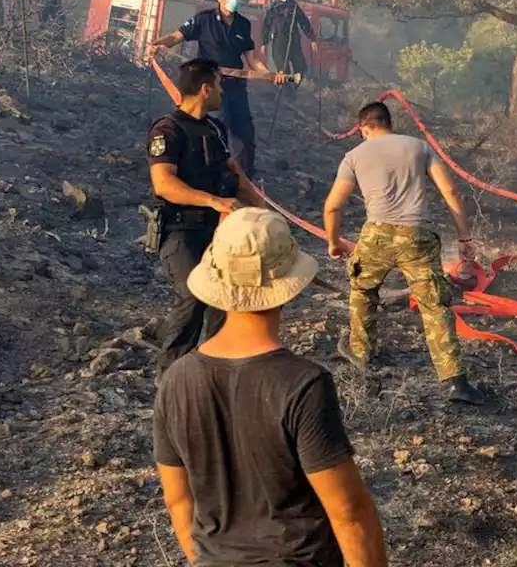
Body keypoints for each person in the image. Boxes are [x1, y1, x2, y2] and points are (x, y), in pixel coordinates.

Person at [154, 208, 389, 566]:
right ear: (287, 287)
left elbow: (178, 500)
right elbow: (348, 512)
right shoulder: (302, 384)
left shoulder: (175, 380)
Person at [322, 101, 485, 405]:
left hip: (377, 236)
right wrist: (464, 237)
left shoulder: (354, 156)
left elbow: (333, 205)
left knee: (362, 292)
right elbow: (449, 191)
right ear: (389, 123)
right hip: (417, 236)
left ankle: (360, 355)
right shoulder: (419, 147)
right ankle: (455, 382)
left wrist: (334, 242)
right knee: (435, 306)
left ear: (362, 128)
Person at [145, 58, 267, 378]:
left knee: (224, 303)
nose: (222, 92)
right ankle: (170, 379)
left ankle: (214, 375)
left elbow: (234, 174)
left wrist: (262, 211)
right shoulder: (167, 129)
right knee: (193, 294)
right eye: (219, 84)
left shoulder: (216, 128)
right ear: (205, 88)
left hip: (220, 231)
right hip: (181, 231)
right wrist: (214, 201)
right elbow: (164, 184)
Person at [146, 0, 288, 178]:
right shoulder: (203, 20)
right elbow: (177, 36)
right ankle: (211, 175)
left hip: (237, 87)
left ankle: (244, 180)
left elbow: (252, 59)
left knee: (244, 135)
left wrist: (270, 75)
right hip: (210, 87)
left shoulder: (244, 25)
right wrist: (158, 43)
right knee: (216, 128)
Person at [261, 0, 318, 84]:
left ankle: (295, 87)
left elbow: (304, 22)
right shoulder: (272, 7)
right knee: (283, 71)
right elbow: (266, 25)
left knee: (301, 68)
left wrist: (312, 39)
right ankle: (285, 93)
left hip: (294, 41)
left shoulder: (293, 5)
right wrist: (264, 43)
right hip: (278, 42)